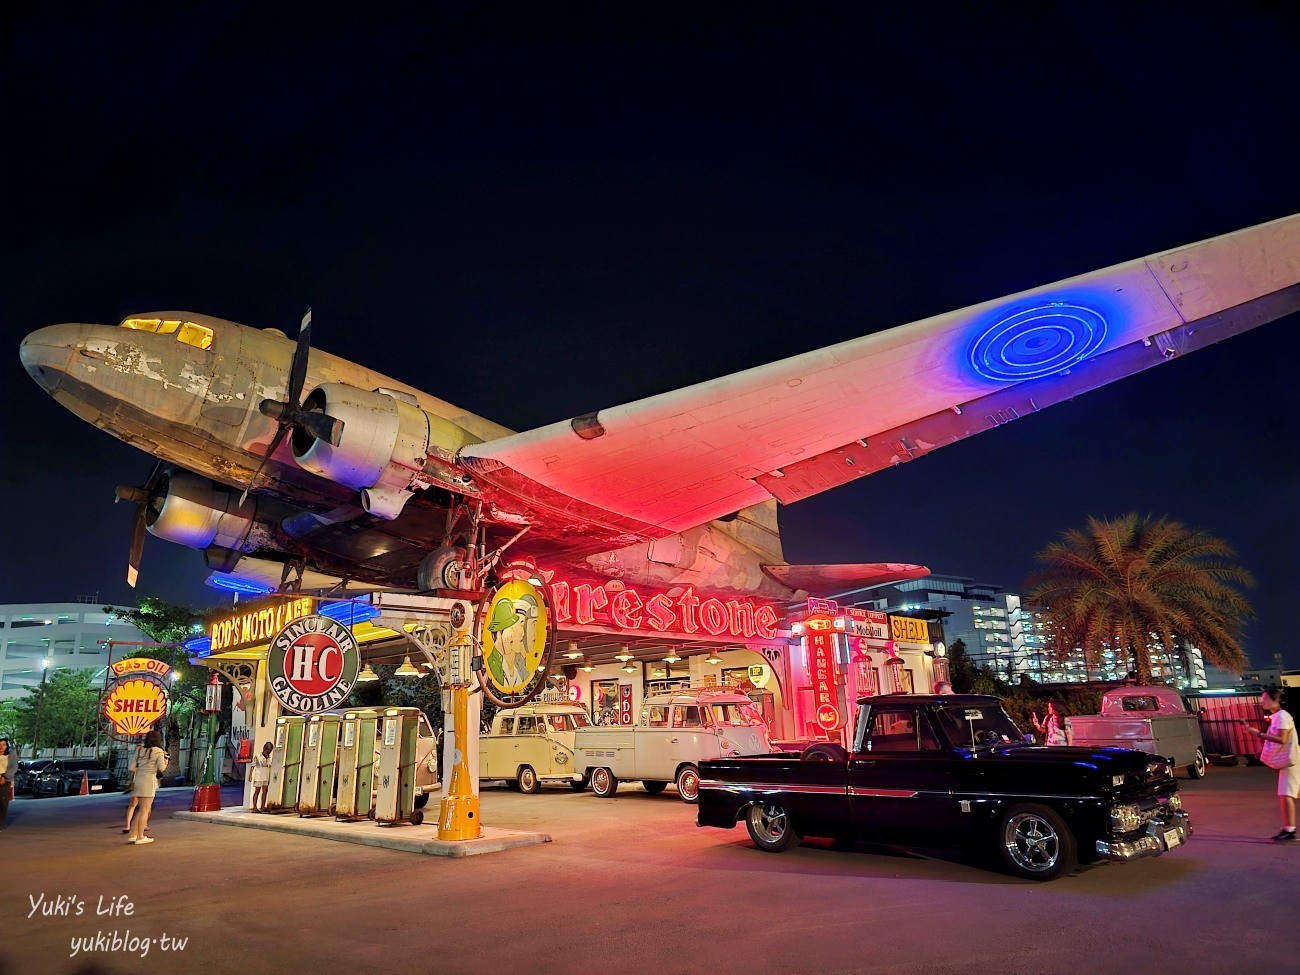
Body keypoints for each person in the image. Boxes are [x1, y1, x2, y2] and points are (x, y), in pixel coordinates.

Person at [1244, 686, 1299, 841]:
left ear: (1275, 701)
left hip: (1290, 762)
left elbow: (1283, 739)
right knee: (1288, 794)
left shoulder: (1282, 716)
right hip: (1289, 762)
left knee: (1286, 794)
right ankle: (1289, 829)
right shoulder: (1279, 716)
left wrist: (1259, 734)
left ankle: (1289, 830)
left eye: (1265, 699)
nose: (1262, 702)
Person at [128, 730, 166, 845]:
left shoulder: (139, 749)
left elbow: (132, 767)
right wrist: (166, 761)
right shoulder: (158, 751)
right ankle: (140, 836)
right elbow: (162, 768)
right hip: (149, 781)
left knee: (140, 810)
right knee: (145, 810)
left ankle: (133, 834)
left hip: (138, 780)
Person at [122, 739, 148, 836]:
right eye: (138, 747)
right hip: (138, 782)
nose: (139, 749)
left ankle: (143, 825)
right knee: (135, 804)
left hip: (143, 782)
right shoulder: (138, 758)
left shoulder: (147, 756)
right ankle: (130, 826)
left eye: (141, 747)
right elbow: (131, 769)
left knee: (145, 806)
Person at [250, 741, 273, 812]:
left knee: (265, 791)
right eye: (267, 750)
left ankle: (263, 806)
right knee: (257, 791)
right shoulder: (257, 756)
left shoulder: (269, 758)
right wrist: (250, 775)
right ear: (264, 748)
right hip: (259, 776)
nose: (268, 753)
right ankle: (254, 807)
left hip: (266, 775)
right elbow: (253, 766)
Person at [0, 737, 12, 830]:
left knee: (3, 804)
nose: (1, 747)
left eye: (4, 744)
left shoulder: (9, 757)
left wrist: (5, 778)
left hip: (5, 781)